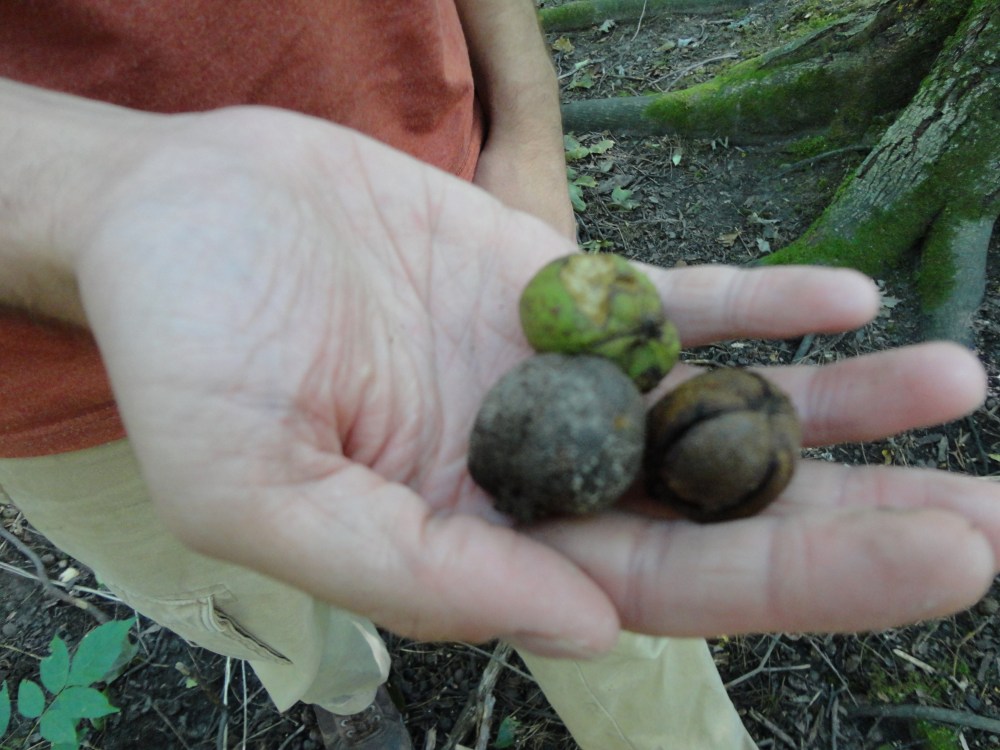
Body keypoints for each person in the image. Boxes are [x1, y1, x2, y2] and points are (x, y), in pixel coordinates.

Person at [1, 2, 998, 749]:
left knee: (614, 615)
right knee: (252, 593)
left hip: (438, 217)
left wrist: (528, 130)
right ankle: (340, 694)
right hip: (57, 395)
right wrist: (99, 197)